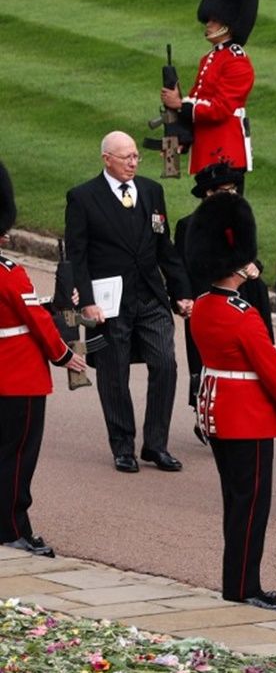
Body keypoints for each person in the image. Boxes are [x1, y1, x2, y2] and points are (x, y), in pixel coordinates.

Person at [187, 193, 276, 611]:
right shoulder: (242, 314)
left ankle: (239, 581)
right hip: (248, 417)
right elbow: (269, 371)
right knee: (251, 506)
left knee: (236, 502)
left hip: (219, 410)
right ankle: (244, 586)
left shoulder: (204, 306)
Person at [64, 131, 192, 473]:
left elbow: (165, 247)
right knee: (114, 372)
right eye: (126, 158)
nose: (133, 163)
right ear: (107, 159)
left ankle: (156, 445)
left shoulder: (152, 191)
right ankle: (123, 446)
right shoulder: (83, 197)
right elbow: (77, 256)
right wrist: (86, 302)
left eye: (136, 156)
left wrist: (181, 291)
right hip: (109, 303)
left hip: (150, 294)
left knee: (166, 364)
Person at [0, 161, 89, 558]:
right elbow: (33, 320)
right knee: (17, 457)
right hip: (17, 377)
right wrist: (64, 354)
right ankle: (14, 529)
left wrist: (55, 303)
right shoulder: (10, 272)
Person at [174, 162, 271, 435]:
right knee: (207, 357)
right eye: (222, 190)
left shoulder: (241, 216)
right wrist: (184, 298)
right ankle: (203, 408)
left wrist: (256, 267)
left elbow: (251, 254)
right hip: (207, 297)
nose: (230, 195)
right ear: (207, 193)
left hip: (245, 292)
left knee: (255, 350)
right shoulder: (188, 225)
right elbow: (182, 265)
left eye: (232, 189)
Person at [161, 0, 257, 176]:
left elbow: (220, 108)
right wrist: (182, 139)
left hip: (226, 151)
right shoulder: (209, 58)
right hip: (206, 150)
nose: (208, 24)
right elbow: (198, 99)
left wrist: (179, 103)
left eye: (214, 20)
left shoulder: (237, 61)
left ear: (229, 23)